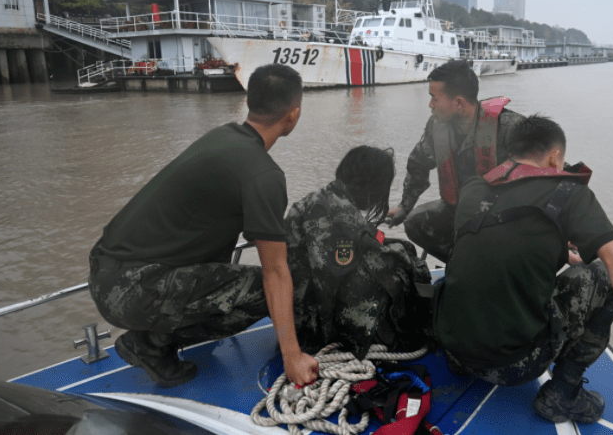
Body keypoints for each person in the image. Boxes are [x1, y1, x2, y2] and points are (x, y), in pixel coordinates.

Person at [431, 114, 613, 424]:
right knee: (605, 275)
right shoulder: (569, 193)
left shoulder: (474, 188)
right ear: (555, 157)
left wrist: (563, 253)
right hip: (513, 365)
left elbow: (503, 242)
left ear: (511, 151)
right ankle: (563, 394)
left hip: (453, 350)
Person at [88, 64, 318, 388]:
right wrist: (292, 356)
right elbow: (275, 273)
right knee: (275, 292)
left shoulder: (223, 136)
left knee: (233, 274)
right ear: (293, 114)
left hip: (107, 272)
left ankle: (150, 337)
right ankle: (151, 345)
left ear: (250, 101)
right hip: (133, 287)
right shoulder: (263, 175)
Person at [285, 146, 432, 358]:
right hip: (314, 332)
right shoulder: (345, 217)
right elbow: (380, 265)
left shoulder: (315, 200)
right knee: (400, 275)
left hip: (295, 317)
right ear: (373, 185)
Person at [386, 60, 524, 262]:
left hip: (501, 216)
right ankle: (461, 263)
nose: (430, 105)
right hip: (458, 209)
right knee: (415, 222)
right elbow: (418, 164)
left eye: (434, 98)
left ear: (458, 103)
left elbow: (547, 169)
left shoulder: (509, 127)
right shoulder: (436, 126)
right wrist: (405, 206)